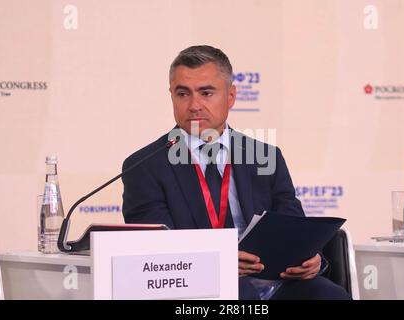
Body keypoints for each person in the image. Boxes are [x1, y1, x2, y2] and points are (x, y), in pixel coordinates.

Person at [122, 45, 350, 300]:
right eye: (183, 93)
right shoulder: (144, 166)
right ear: (172, 96)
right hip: (199, 288)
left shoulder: (265, 156)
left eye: (206, 93)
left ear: (230, 96)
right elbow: (155, 253)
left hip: (275, 280)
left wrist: (312, 259)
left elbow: (293, 227)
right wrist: (219, 262)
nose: (194, 105)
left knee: (330, 295)